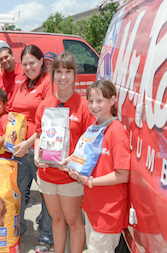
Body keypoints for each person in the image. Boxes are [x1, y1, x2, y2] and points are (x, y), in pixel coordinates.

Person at [33, 52, 95, 253]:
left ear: (75, 75)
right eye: (59, 71)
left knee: (74, 221)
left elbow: (90, 144)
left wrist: (72, 159)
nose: (63, 77)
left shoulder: (84, 106)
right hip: (47, 175)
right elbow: (38, 135)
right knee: (57, 219)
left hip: (70, 177)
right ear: (53, 74)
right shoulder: (44, 105)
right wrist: (36, 155)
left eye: (68, 71)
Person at [68, 80, 130, 253]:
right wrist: (71, 160)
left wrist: (89, 181)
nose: (94, 106)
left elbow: (122, 175)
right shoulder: (96, 126)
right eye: (91, 101)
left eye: (99, 101)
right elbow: (89, 157)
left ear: (112, 100)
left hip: (107, 212)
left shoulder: (117, 132)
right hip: (92, 206)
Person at [8, 45, 54, 253]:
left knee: (46, 194)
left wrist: (28, 144)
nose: (28, 67)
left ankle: (46, 236)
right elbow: (16, 110)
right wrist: (11, 118)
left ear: (41, 61)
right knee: (15, 192)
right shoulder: (23, 84)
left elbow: (50, 122)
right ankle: (19, 228)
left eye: (32, 63)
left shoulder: (48, 84)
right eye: (24, 64)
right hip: (19, 150)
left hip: (39, 149)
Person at [0, 46, 25, 112]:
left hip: (22, 114)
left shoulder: (25, 72)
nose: (4, 61)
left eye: (6, 57)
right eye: (1, 59)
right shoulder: (0, 78)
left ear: (13, 56)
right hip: (6, 114)